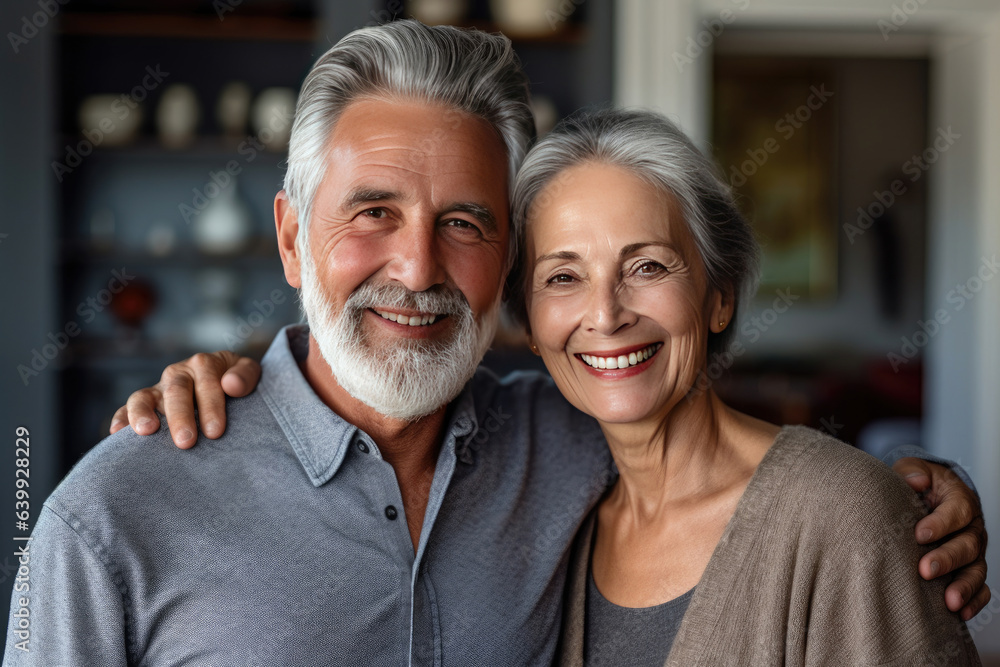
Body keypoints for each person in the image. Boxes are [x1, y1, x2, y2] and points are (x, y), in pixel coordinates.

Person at [9, 19, 986, 667]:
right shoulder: (112, 518)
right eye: (373, 213)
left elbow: (717, 446)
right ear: (291, 238)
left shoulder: (562, 437)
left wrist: (901, 486)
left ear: (507, 260)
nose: (417, 267)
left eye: (466, 223)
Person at [503, 108, 981, 665]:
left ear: (719, 297)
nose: (606, 316)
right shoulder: (559, 521)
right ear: (532, 326)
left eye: (648, 267)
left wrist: (904, 495)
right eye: (563, 277)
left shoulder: (846, 515)